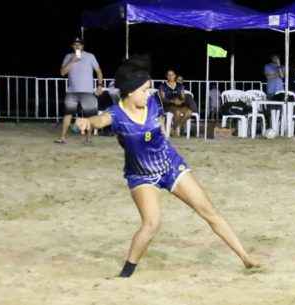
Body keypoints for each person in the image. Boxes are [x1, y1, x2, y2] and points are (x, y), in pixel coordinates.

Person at [75, 55, 259, 277]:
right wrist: (87, 122)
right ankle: (126, 273)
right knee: (152, 223)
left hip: (170, 166)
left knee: (209, 211)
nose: (149, 94)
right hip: (141, 176)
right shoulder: (116, 115)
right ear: (130, 92)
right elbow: (100, 120)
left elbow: (160, 127)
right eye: (144, 90)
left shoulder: (153, 103)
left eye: (149, 89)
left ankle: (245, 258)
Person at [56, 37, 104, 144]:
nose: (77, 46)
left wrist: (100, 85)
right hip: (72, 91)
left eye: (80, 44)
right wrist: (72, 61)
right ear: (72, 46)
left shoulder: (90, 56)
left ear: (83, 46)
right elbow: (63, 72)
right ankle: (62, 138)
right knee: (68, 114)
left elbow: (99, 71)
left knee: (90, 116)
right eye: (75, 44)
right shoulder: (68, 56)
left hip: (87, 92)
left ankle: (88, 139)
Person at [158, 69, 197, 137]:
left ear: (175, 76)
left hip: (179, 104)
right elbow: (163, 99)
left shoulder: (180, 86)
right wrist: (173, 101)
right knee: (178, 113)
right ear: (166, 76)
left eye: (172, 75)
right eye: (169, 75)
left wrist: (180, 101)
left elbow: (183, 97)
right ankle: (175, 130)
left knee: (189, 113)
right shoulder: (162, 86)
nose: (170, 76)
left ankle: (174, 128)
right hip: (168, 105)